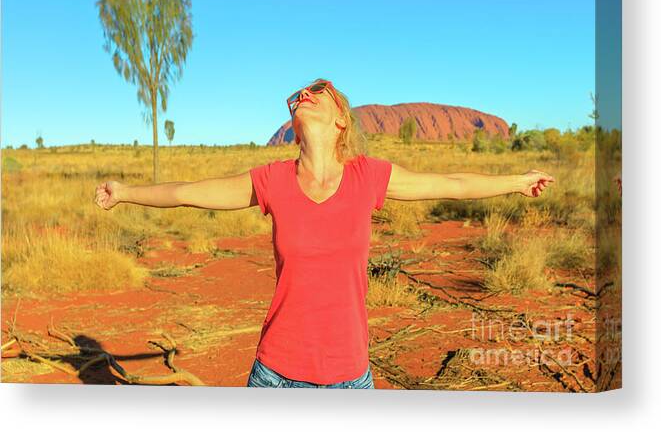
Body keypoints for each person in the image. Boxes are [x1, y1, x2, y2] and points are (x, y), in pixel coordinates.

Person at [94, 78, 554, 389]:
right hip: (275, 373)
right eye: (300, 94)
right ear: (293, 127)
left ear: (341, 120)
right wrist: (127, 191)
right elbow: (190, 192)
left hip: (349, 378)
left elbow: (451, 184)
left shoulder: (367, 176)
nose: (306, 94)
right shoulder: (272, 180)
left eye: (320, 89)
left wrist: (516, 181)